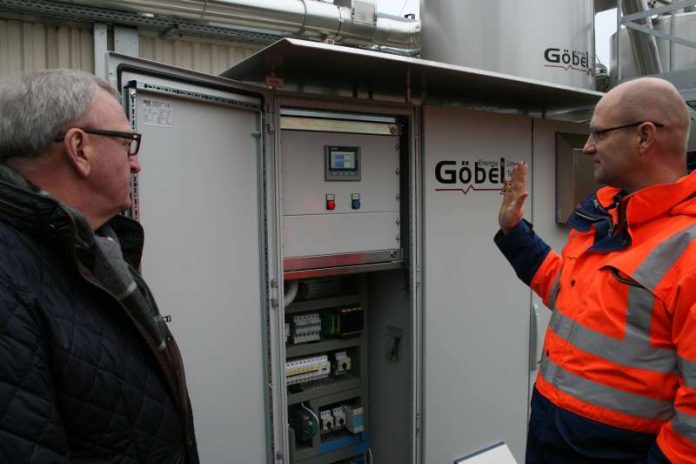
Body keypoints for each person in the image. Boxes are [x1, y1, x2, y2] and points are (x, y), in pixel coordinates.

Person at [0, 69, 198, 463]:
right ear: (79, 149)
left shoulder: (99, 248)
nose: (136, 164)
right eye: (127, 143)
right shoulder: (10, 280)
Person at [495, 77, 695, 463]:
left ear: (644, 137)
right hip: (550, 434)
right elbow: (565, 291)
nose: (587, 148)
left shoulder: (688, 246)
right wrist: (514, 232)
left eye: (598, 134)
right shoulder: (606, 216)